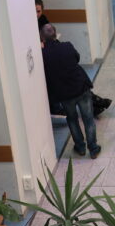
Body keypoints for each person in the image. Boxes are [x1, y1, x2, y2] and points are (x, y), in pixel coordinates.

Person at [41, 23, 100, 158]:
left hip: (64, 94)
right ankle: (93, 148)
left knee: (72, 119)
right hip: (80, 87)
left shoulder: (43, 54)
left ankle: (80, 147)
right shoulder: (67, 46)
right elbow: (77, 58)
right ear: (55, 34)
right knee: (88, 119)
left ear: (42, 38)